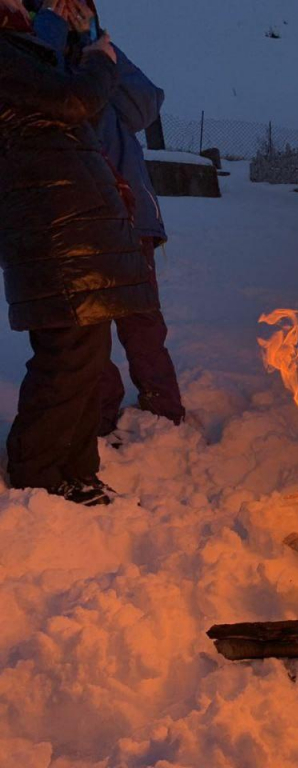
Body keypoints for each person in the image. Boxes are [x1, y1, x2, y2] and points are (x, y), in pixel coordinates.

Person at [0, 0, 157, 505]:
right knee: (64, 356)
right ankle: (37, 470)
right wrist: (100, 61)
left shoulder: (24, 47)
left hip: (71, 222)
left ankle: (76, 465)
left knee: (87, 355)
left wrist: (82, 34)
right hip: (50, 225)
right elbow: (72, 101)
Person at [31, 0, 184, 435]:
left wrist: (98, 44)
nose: (70, 10)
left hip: (131, 219)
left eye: (79, 5)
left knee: (143, 322)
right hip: (73, 222)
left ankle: (164, 412)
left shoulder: (99, 70)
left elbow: (144, 104)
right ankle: (101, 414)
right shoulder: (36, 63)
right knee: (89, 327)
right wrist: (53, 32)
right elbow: (42, 95)